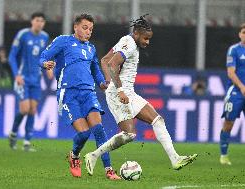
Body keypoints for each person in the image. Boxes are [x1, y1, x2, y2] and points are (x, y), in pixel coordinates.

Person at [84, 15, 198, 176]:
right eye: (145, 38)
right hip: (120, 93)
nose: (147, 42)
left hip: (127, 92)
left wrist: (108, 81)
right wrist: (118, 90)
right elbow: (111, 63)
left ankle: (175, 159)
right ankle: (93, 155)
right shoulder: (129, 44)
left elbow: (104, 60)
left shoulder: (126, 40)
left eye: (149, 39)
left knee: (158, 120)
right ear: (136, 33)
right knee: (129, 135)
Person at [40, 14, 120, 180]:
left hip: (88, 93)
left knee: (98, 129)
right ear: (75, 27)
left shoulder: (91, 48)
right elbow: (43, 56)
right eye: (85, 28)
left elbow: (95, 69)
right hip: (68, 93)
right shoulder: (63, 41)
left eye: (91, 29)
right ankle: (74, 155)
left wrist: (102, 83)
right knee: (84, 134)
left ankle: (109, 170)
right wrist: (44, 64)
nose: (88, 32)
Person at [8, 12, 49, 152]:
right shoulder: (23, 35)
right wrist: (16, 75)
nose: (40, 23)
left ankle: (26, 142)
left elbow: (43, 57)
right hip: (23, 78)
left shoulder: (44, 37)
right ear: (32, 21)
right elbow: (12, 56)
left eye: (42, 21)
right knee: (24, 109)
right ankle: (13, 133)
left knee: (32, 110)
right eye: (37, 20)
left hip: (36, 80)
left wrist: (47, 68)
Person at [220, 23, 245, 165]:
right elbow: (231, 72)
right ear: (239, 34)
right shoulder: (234, 50)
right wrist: (242, 86)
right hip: (236, 91)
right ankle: (224, 155)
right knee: (229, 123)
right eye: (243, 32)